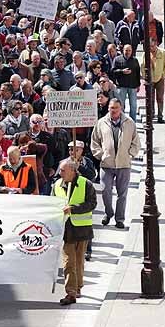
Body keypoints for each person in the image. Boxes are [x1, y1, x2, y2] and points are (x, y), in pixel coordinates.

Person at [52, 158, 96, 306]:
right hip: (66, 230)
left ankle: (77, 287)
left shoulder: (86, 184)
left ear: (72, 170)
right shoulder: (57, 185)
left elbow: (92, 204)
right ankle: (71, 292)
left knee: (78, 261)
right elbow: (52, 204)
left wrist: (73, 208)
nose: (60, 173)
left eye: (63, 171)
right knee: (68, 262)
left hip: (82, 229)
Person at [91, 98, 139, 229]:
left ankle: (119, 219)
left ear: (121, 108)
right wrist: (101, 155)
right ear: (108, 108)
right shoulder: (101, 123)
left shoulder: (129, 123)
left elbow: (136, 142)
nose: (113, 111)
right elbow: (94, 142)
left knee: (122, 193)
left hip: (123, 164)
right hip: (106, 164)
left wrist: (130, 155)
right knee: (105, 190)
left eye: (116, 108)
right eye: (111, 108)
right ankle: (108, 213)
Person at [148, 38, 165, 123]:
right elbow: (143, 65)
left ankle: (160, 115)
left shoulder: (163, 52)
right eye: (150, 46)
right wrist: (145, 76)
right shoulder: (147, 53)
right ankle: (152, 114)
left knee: (160, 98)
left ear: (156, 44)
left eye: (153, 46)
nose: (151, 48)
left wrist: (163, 76)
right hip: (150, 79)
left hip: (160, 78)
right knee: (150, 98)